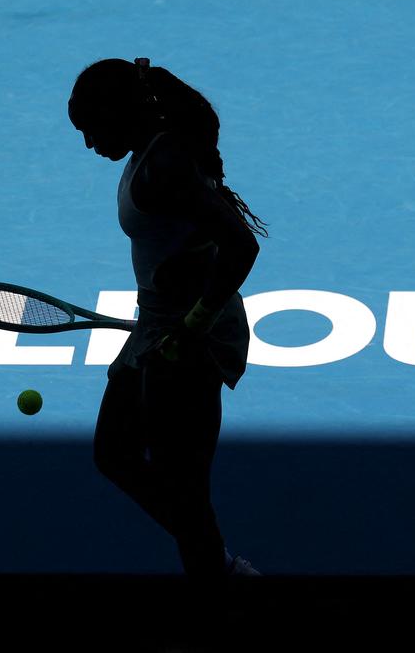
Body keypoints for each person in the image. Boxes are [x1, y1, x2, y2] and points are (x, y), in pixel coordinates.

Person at [69, 57, 269, 578]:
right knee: (115, 453)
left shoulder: (167, 166)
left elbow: (241, 245)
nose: (88, 144)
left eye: (90, 129)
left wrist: (192, 326)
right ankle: (217, 562)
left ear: (116, 114)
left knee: (184, 485)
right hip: (157, 327)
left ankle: (217, 581)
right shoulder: (149, 153)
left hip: (192, 338)